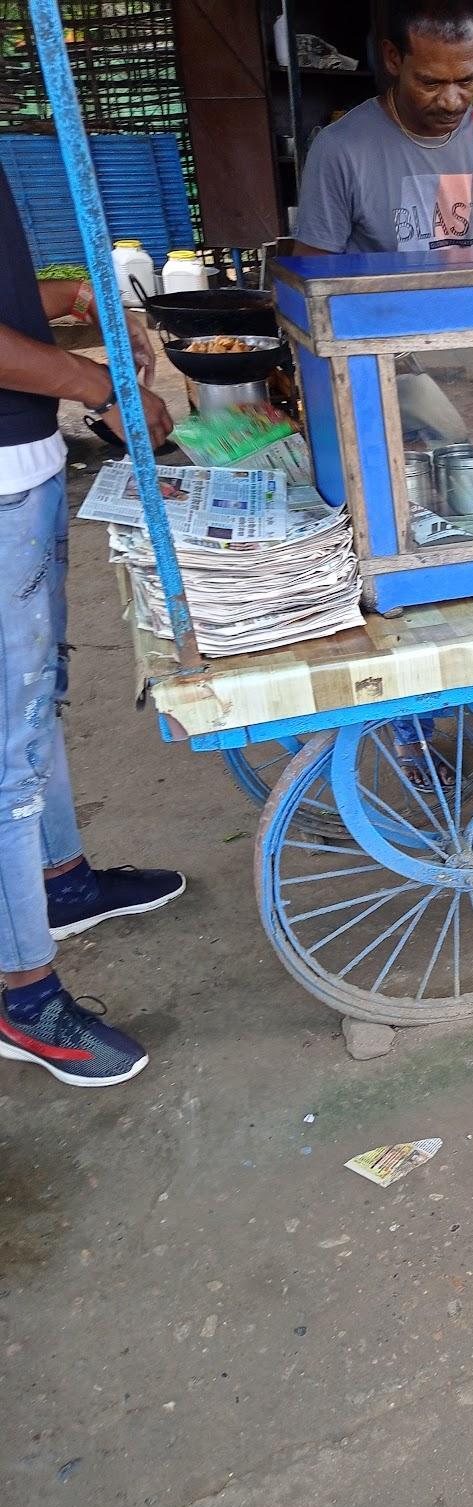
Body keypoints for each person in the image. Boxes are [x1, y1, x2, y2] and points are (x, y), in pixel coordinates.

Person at [0, 165, 185, 1087]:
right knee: (4, 744)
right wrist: (94, 381)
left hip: (23, 466)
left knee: (38, 700)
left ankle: (59, 883)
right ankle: (20, 991)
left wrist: (72, 298)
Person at [295, 0, 473, 257]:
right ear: (393, 58)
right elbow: (314, 275)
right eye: (430, 83)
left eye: (466, 80)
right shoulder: (339, 150)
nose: (451, 101)